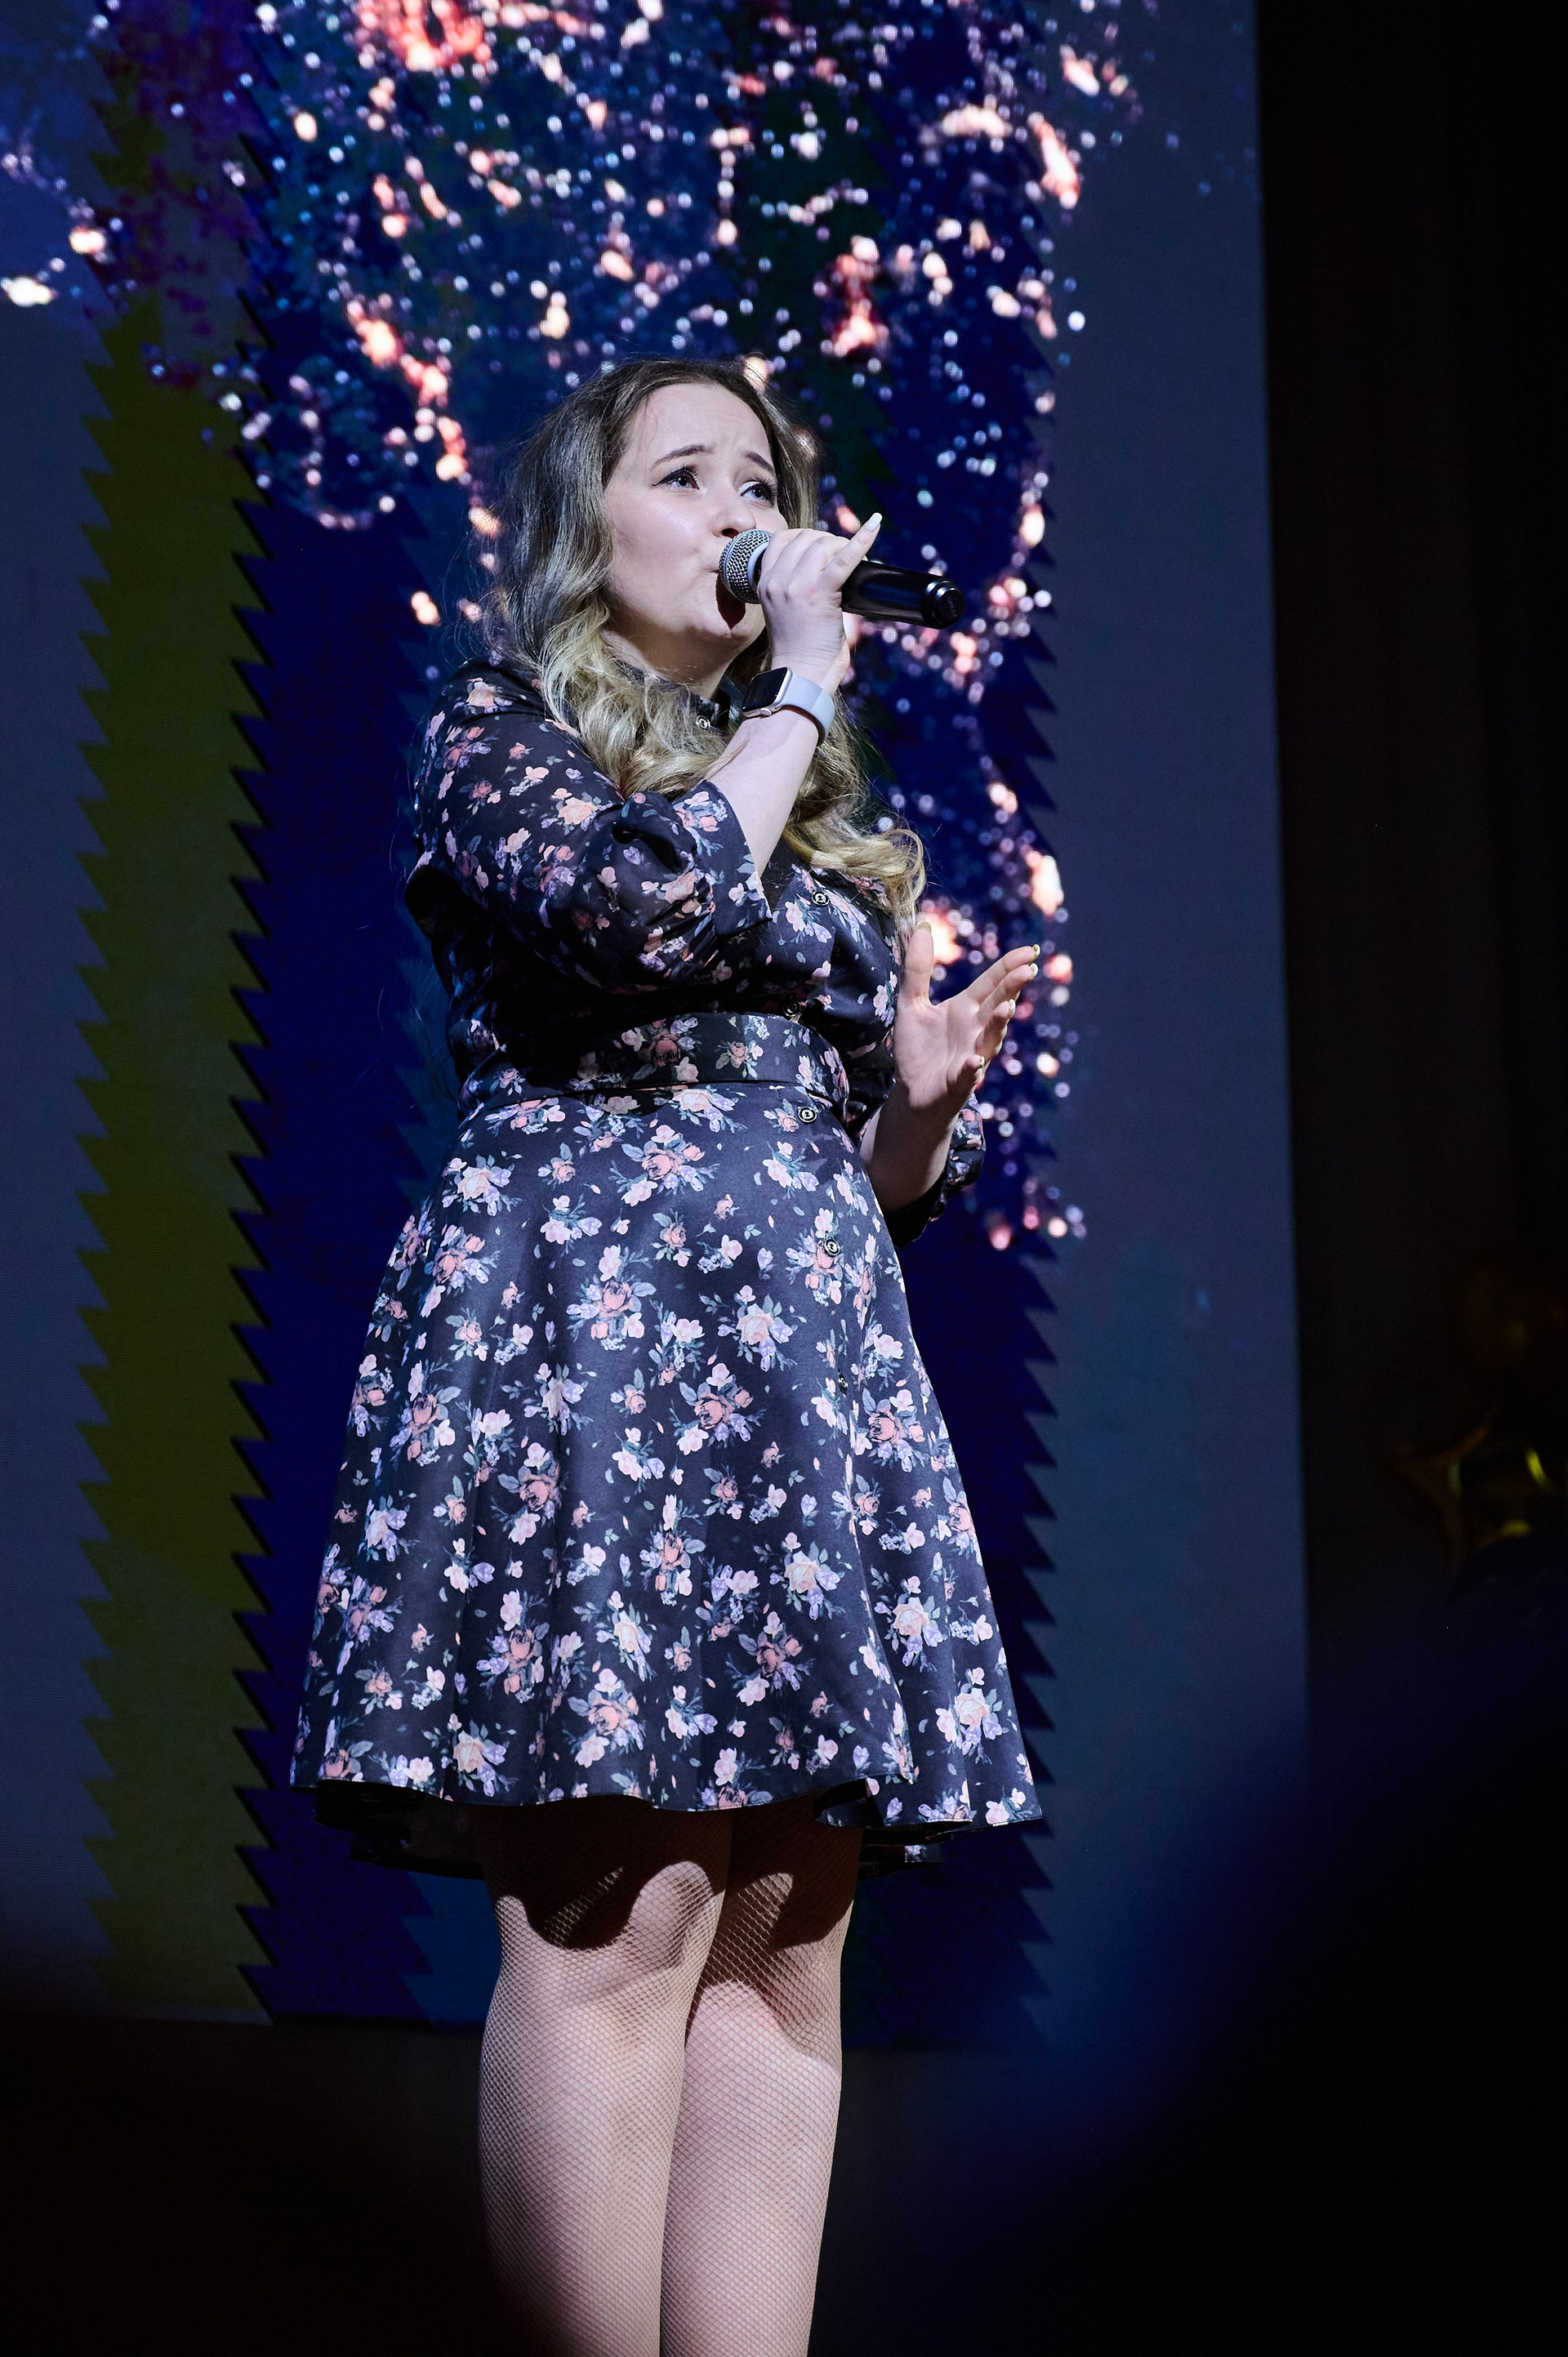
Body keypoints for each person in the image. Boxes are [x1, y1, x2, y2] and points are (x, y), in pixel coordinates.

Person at [292, 355, 1042, 2355]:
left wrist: (913, 1117)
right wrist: (803, 685)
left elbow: (851, 1171)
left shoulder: (809, 826)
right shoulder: (503, 738)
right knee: (625, 1915)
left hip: (797, 1371)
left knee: (788, 1945)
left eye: (762, 481)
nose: (740, 513)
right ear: (585, 532)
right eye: (687, 476)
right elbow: (635, 916)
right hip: (591, 1353)